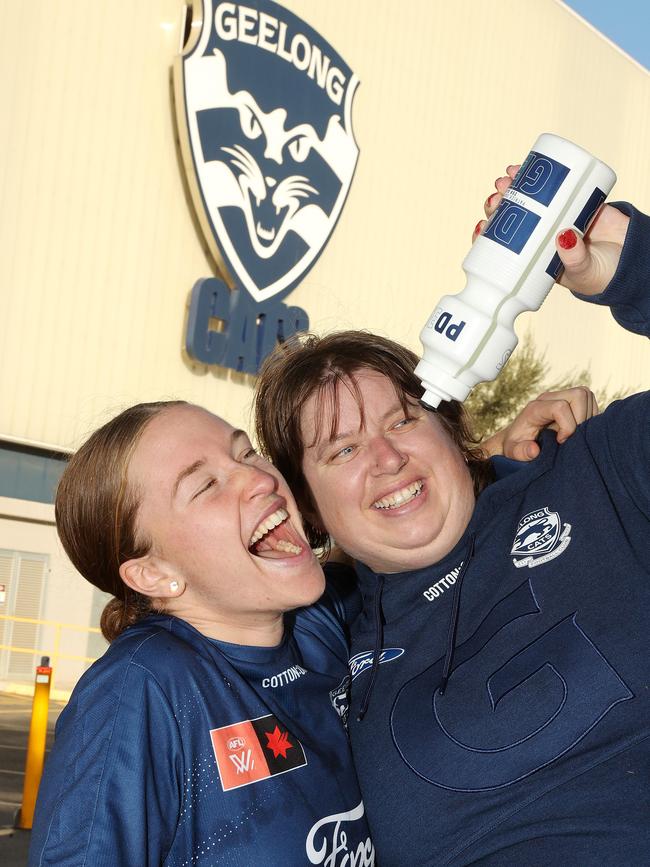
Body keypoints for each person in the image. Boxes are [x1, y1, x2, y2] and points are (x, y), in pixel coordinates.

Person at [254, 190, 650, 864]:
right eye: (342, 450)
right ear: (309, 507)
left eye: (403, 419)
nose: (386, 458)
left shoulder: (598, 473)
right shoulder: (316, 634)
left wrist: (632, 266)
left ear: (450, 430)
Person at [28, 403, 375, 866]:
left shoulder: (321, 622)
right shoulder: (141, 690)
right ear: (153, 574)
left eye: (246, 453)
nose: (261, 479)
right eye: (206, 485)